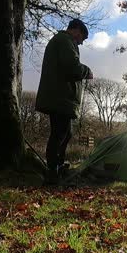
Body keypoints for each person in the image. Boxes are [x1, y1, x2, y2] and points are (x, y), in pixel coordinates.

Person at [35, 19, 93, 185]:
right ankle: (52, 172)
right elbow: (72, 67)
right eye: (82, 37)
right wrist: (87, 71)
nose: (81, 42)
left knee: (65, 133)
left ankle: (58, 166)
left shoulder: (62, 41)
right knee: (59, 134)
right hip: (59, 97)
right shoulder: (64, 40)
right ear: (76, 30)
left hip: (60, 97)